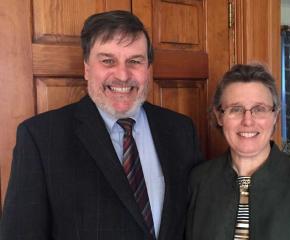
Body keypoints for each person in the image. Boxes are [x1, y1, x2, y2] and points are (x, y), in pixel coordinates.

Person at [0, 10, 202, 240]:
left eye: (135, 61)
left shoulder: (180, 130)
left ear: (148, 68)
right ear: (87, 68)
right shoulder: (40, 138)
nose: (123, 75)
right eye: (108, 61)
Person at [185, 63, 290, 240]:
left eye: (259, 109)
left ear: (275, 117)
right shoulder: (198, 181)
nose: (248, 121)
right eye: (235, 109)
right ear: (219, 116)